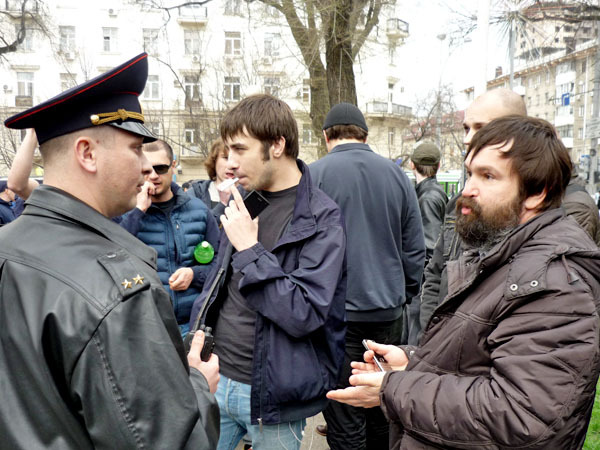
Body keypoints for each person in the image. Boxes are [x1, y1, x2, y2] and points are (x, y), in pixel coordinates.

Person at [327, 115, 600, 449]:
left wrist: (394, 388)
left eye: (488, 176)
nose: (468, 189)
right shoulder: (508, 254)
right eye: (470, 173)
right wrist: (413, 362)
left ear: (536, 192)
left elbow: (519, 413)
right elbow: (482, 360)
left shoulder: (554, 283)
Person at [0, 53, 220, 449]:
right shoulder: (116, 288)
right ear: (87, 153)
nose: (146, 168)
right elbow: (169, 440)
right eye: (136, 149)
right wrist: (198, 386)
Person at [188, 94, 347, 450]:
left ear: (277, 145)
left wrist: (250, 249)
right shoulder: (247, 200)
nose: (230, 163)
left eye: (239, 149)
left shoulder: (322, 217)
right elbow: (219, 283)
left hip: (272, 397)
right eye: (227, 151)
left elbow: (305, 311)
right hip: (216, 377)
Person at [419, 88, 600, 342]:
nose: (469, 139)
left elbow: (532, 324)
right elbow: (436, 275)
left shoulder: (563, 213)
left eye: (482, 128)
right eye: (466, 128)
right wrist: (424, 349)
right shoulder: (467, 200)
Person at [309, 102, 425, 450]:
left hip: (336, 314)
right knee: (381, 404)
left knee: (345, 408)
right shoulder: (397, 176)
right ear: (365, 135)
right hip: (388, 311)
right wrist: (402, 292)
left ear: (326, 136)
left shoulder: (313, 175)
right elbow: (414, 247)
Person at [118, 139, 220, 336]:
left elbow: (219, 264)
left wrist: (194, 274)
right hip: (145, 325)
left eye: (160, 168)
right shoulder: (125, 209)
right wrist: (138, 211)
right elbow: (112, 253)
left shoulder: (199, 209)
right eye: (146, 170)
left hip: (192, 324)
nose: (153, 176)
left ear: (173, 166)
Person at [405, 141, 447, 344]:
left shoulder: (427, 198)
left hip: (423, 285)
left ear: (412, 164)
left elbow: (430, 247)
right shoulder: (433, 193)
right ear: (438, 166)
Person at [188, 138, 236, 219]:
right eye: (226, 158)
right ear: (214, 160)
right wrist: (222, 205)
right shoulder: (195, 194)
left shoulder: (249, 194)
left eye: (236, 159)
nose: (231, 165)